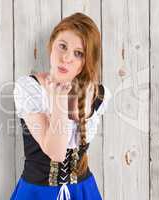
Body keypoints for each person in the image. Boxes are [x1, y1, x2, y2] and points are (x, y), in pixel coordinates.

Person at [10, 12, 112, 200]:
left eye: (78, 53)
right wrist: (59, 100)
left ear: (85, 62)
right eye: (62, 46)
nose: (66, 58)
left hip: (83, 192)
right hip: (37, 193)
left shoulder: (98, 94)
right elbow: (56, 153)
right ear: (51, 46)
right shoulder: (29, 88)